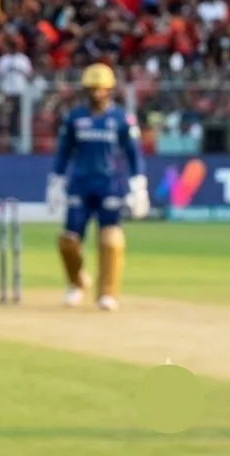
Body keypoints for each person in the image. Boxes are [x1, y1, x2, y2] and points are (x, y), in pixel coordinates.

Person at [47, 62, 148, 311]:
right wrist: (55, 181)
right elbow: (64, 152)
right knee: (68, 240)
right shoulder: (75, 117)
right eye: (91, 89)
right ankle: (76, 282)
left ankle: (107, 293)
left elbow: (133, 154)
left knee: (110, 239)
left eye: (101, 89)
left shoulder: (121, 119)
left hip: (110, 185)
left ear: (110, 90)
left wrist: (139, 186)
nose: (96, 94)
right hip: (79, 185)